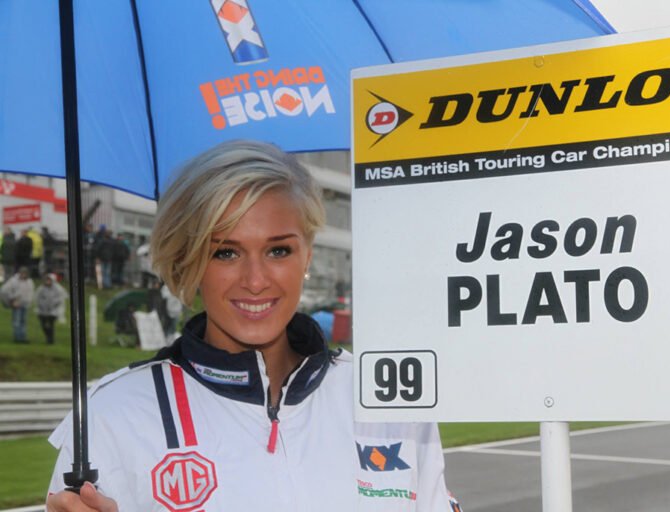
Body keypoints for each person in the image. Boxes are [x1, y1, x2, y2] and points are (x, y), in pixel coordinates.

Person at [46, 140, 460, 511]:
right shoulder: (111, 414)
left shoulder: (385, 397)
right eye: (226, 253)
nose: (257, 280)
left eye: (279, 250)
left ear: (308, 256)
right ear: (187, 261)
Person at [1, 266, 34, 343]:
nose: (23, 275)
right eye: (22, 273)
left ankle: (23, 337)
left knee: (23, 322)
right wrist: (12, 300)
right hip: (17, 304)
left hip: (25, 304)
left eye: (25, 273)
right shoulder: (13, 281)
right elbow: (4, 290)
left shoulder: (29, 281)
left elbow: (31, 292)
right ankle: (17, 337)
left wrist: (30, 302)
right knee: (17, 321)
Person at [34, 273, 67, 345]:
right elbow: (37, 298)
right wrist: (42, 305)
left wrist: (53, 304)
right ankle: (48, 337)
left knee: (50, 325)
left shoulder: (58, 289)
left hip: (53, 311)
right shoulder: (41, 289)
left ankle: (50, 339)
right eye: (47, 280)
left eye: (49, 280)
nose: (48, 282)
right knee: (44, 325)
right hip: (42, 311)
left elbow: (61, 298)